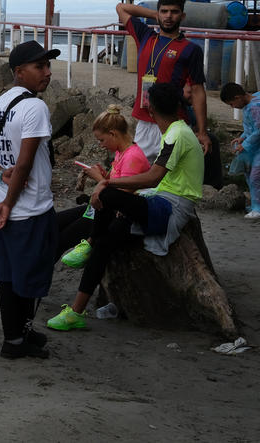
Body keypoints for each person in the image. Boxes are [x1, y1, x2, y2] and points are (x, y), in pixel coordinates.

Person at [46, 82, 204, 331]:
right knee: (105, 244)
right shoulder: (177, 131)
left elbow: (153, 177)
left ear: (150, 110)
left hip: (169, 207)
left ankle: (89, 242)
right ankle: (76, 311)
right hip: (160, 199)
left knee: (107, 198)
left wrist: (106, 183)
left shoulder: (177, 134)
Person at [0, 40, 60, 360]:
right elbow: (24, 164)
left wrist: (1, 177)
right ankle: (15, 340)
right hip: (26, 208)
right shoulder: (35, 107)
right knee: (30, 278)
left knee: (9, 276)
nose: (48, 73)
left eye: (48, 66)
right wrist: (11, 202)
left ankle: (17, 333)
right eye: (40, 67)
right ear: (19, 72)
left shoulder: (1, 103)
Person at [116, 0, 208, 161]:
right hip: (145, 119)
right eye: (164, 11)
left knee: (170, 175)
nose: (169, 16)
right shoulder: (145, 36)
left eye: (174, 12)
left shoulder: (191, 49)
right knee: (139, 170)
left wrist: (202, 131)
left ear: (183, 16)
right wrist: (154, 15)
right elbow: (121, 7)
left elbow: (197, 90)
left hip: (174, 121)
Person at [58, 105, 150, 266]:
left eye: (102, 140)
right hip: (103, 208)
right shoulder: (121, 152)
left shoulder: (132, 156)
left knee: (62, 238)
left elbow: (119, 197)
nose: (101, 145)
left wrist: (100, 178)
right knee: (55, 222)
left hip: (112, 214)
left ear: (113, 134)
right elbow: (117, 182)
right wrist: (105, 175)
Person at [221, 82, 260, 219]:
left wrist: (245, 144)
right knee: (250, 174)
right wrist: (242, 138)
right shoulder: (252, 102)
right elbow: (252, 127)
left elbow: (258, 130)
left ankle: (257, 208)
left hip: (256, 146)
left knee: (255, 176)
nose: (233, 107)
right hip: (254, 146)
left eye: (231, 104)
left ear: (238, 97)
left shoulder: (254, 107)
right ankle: (256, 204)